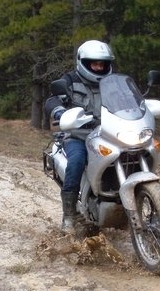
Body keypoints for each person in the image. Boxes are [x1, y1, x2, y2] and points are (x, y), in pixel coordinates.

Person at [44, 40, 115, 232]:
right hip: (78, 136)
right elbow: (52, 100)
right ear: (84, 62)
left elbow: (128, 100)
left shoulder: (112, 83)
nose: (99, 67)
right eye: (94, 63)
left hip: (109, 134)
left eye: (102, 63)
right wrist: (60, 112)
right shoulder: (70, 80)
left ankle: (151, 201)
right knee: (76, 161)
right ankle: (69, 215)